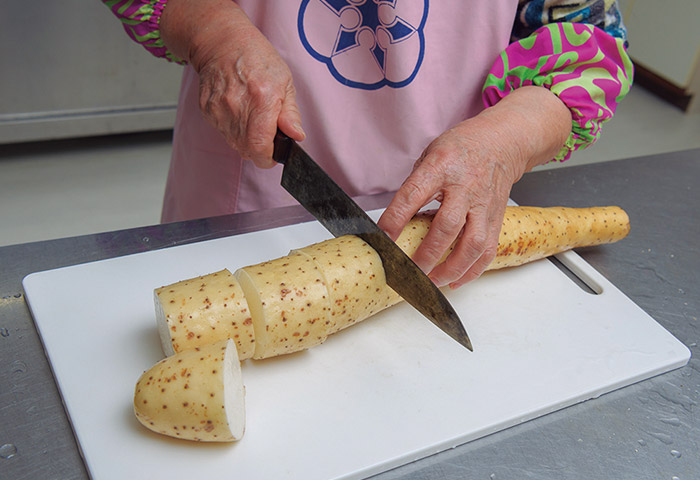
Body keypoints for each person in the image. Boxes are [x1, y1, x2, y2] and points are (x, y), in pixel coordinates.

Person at [103, 0, 632, 288]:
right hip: (243, 183)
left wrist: (504, 141)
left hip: (449, 209)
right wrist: (213, 33)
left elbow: (591, 45)